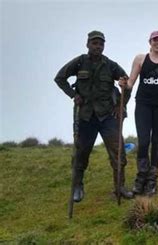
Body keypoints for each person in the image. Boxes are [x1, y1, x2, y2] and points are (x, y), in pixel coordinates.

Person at [54, 30, 133, 202]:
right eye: (95, 43)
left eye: (101, 44)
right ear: (88, 44)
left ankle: (119, 187)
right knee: (81, 153)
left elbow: (126, 83)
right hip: (86, 116)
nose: (98, 46)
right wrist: (72, 95)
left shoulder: (111, 65)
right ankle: (77, 186)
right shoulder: (79, 62)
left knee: (118, 152)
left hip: (107, 116)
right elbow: (59, 78)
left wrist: (121, 105)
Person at [121, 31, 158, 196]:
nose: (157, 43)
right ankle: (141, 179)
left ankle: (152, 181)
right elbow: (131, 82)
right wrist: (124, 84)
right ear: (150, 42)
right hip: (143, 104)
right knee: (144, 141)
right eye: (155, 40)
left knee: (156, 141)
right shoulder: (140, 59)